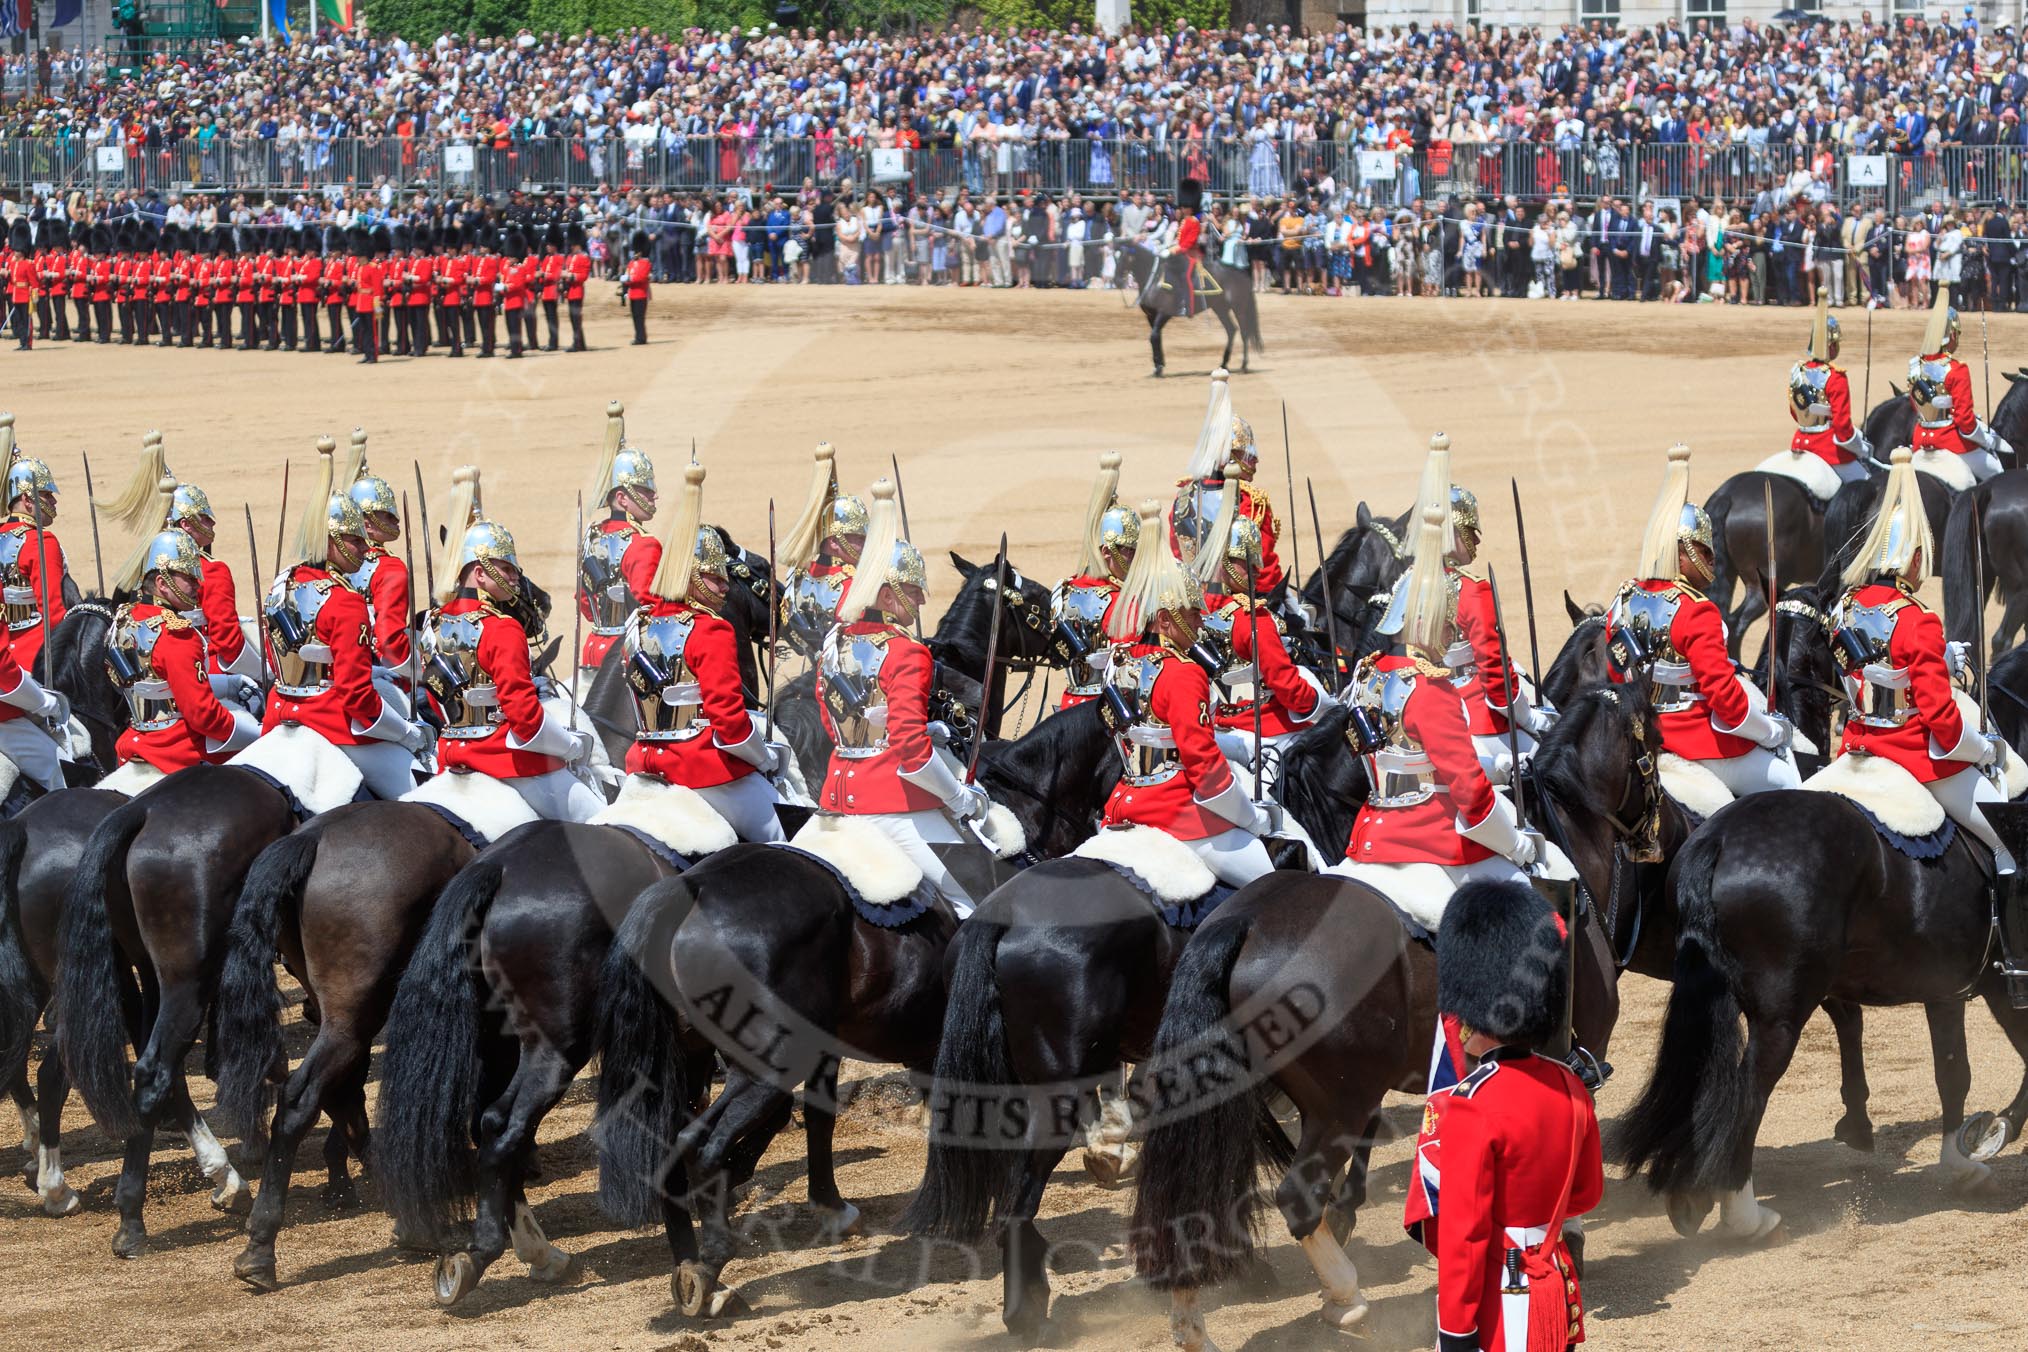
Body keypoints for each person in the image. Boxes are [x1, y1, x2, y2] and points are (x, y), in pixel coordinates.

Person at [1829, 445, 2024, 998]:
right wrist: (1984, 749)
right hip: (1917, 757)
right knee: (2010, 839)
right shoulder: (1918, 620)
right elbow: (1941, 722)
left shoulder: (1848, 608)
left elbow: (1866, 680)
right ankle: (2014, 958)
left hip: (1859, 746)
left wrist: (1943, 660)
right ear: (1913, 558)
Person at [1329, 478, 1544, 930]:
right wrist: (1516, 847)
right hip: (1431, 836)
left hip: (1372, 831)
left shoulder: (1367, 677)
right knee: (1529, 900)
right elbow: (1471, 795)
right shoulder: (1432, 691)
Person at [1405, 880, 1602, 1352]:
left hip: (1502, 1299)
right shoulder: (1572, 1085)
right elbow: (1586, 1193)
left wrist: (1455, 1333)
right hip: (1556, 1284)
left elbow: (1464, 1237)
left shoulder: (1472, 1103)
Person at [813, 479, 990, 915]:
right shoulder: (907, 652)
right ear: (888, 594)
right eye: (913, 590)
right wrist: (958, 798)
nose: (922, 598)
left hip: (835, 802)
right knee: (976, 904)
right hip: (893, 806)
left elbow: (836, 725)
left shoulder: (832, 647)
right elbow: (910, 751)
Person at [1094, 499, 1278, 888]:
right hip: (1177, 811)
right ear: (1165, 619)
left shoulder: (1121, 662)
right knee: (1274, 887)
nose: (1200, 620)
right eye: (1192, 613)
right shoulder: (1182, 673)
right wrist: (1251, 818)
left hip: (1124, 804)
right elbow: (1205, 767)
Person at [1605, 444, 1798, 800]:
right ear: (1681, 552)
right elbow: (1725, 699)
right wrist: (1771, 732)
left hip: (1638, 736)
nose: (1711, 557)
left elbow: (1618, 671)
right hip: (1694, 741)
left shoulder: (1624, 598)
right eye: (1702, 549)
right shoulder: (1697, 610)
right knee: (1787, 781)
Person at [620, 462, 784, 842]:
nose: (724, 588)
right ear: (691, 576)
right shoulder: (710, 630)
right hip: (703, 772)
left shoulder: (637, 626)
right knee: (790, 842)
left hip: (643, 768)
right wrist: (765, 759)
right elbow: (730, 724)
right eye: (714, 577)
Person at [257, 439, 429, 799]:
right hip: (332, 723)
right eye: (355, 541)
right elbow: (356, 697)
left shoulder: (281, 583)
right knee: (424, 793)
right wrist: (405, 734)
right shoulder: (345, 600)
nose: (366, 549)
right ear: (331, 541)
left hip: (277, 714)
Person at [415, 506, 601, 822]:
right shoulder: (502, 627)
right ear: (480, 572)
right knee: (600, 821)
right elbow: (525, 718)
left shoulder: (432, 625)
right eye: (506, 568)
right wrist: (569, 746)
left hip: (449, 756)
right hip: (503, 761)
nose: (516, 576)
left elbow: (435, 701)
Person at [102, 525, 260, 792]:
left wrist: (228, 684)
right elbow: (203, 716)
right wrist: (257, 733)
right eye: (190, 578)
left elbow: (163, 683)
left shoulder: (124, 619)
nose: (199, 586)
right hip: (179, 749)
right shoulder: (178, 634)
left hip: (136, 737)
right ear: (162, 583)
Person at [1171, 369, 1288, 604]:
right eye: (1247, 454)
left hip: (1193, 601)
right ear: (1229, 457)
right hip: (1241, 601)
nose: (1254, 461)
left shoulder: (1182, 497)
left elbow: (1178, 554)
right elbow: (1263, 568)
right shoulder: (1250, 501)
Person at [577, 406, 661, 681]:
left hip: (592, 648)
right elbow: (648, 612)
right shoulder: (644, 544)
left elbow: (586, 607)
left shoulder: (592, 537)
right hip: (626, 655)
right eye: (646, 490)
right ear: (623, 498)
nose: (654, 496)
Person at [1050, 451, 1137, 709]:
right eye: (1128, 551)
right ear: (1107, 552)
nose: (1134, 557)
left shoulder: (1064, 590)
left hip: (1069, 705)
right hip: (1111, 711)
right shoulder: (1120, 600)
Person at [1909, 283, 2012, 481]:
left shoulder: (1915, 366)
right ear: (1952, 335)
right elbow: (1965, 422)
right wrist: (1986, 439)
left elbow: (1917, 406)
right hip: (1950, 441)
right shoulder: (1957, 370)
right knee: (1998, 474)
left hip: (1920, 440)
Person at [1772, 294, 1872, 498]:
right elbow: (1843, 427)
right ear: (1832, 345)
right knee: (1867, 486)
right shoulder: (1836, 377)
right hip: (1827, 449)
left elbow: (1795, 410)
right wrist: (1859, 447)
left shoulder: (1798, 372)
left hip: (1800, 442)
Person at [777, 443, 865, 659]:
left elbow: (793, 637)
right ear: (835, 542)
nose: (865, 546)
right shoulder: (853, 584)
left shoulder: (797, 577)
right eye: (859, 539)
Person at [345, 468, 415, 699]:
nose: (395, 520)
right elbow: (389, 643)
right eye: (386, 515)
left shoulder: (331, 563)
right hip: (378, 672)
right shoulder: (390, 568)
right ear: (367, 523)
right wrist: (421, 672)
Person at [0, 450, 69, 679]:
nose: (53, 500)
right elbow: (55, 613)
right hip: (36, 662)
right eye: (47, 494)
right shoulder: (40, 541)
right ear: (28, 499)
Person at [626, 228, 652, 345]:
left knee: (640, 317)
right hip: (632, 294)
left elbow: (641, 277)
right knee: (635, 317)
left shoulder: (645, 263)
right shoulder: (631, 263)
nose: (635, 253)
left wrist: (630, 279)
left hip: (641, 294)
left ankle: (641, 337)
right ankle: (638, 335)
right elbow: (628, 274)